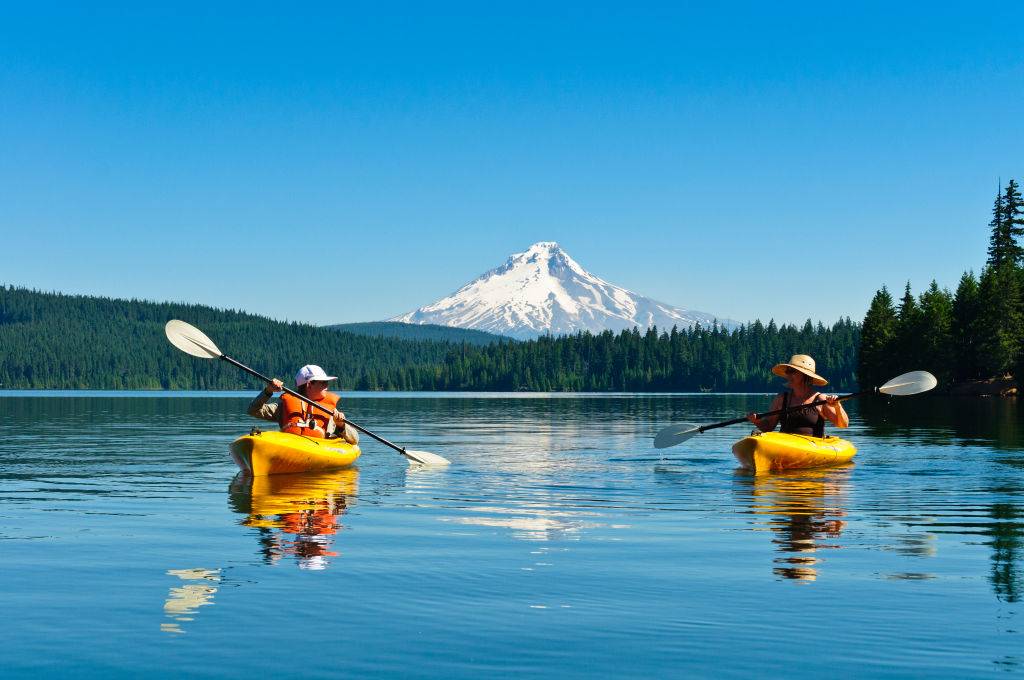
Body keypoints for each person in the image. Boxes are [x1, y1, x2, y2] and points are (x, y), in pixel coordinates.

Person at [247, 364, 359, 444]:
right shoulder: (284, 406)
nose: (327, 386)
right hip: (291, 448)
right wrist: (268, 391)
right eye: (323, 382)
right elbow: (253, 410)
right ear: (309, 384)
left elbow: (354, 440)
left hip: (318, 451)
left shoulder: (331, 413)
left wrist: (340, 425)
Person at [746, 354, 849, 437]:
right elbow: (768, 427)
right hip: (785, 447)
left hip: (811, 449)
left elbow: (843, 425)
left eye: (792, 371)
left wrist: (837, 406)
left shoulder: (820, 399)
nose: (788, 375)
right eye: (787, 372)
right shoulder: (781, 399)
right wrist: (756, 420)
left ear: (805, 375)